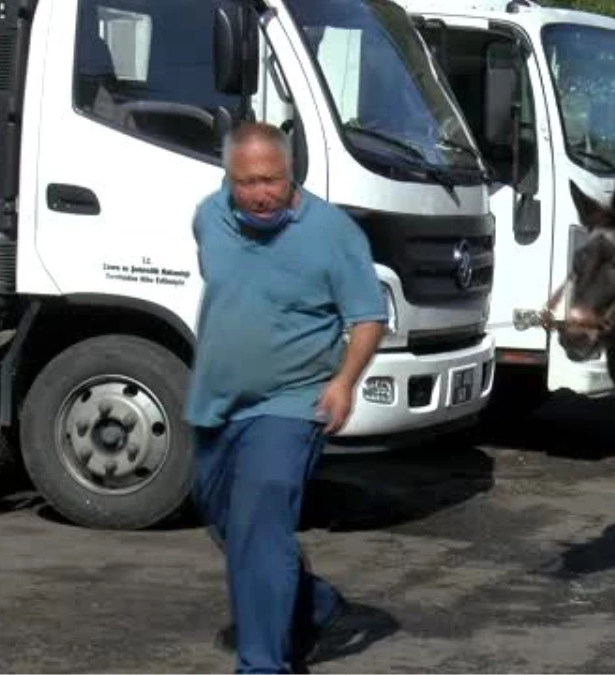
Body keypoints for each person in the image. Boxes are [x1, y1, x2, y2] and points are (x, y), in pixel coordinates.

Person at [183, 121, 389, 674]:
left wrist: (343, 381)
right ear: (229, 178)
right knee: (227, 520)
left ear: (290, 172)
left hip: (291, 402)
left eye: (272, 180)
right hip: (215, 401)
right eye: (247, 182)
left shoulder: (332, 232)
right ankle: (319, 606)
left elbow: (369, 318)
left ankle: (262, 665)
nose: (261, 193)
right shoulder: (209, 217)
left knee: (259, 522)